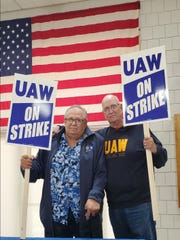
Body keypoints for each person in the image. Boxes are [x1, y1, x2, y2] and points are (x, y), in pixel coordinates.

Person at [20, 105, 106, 238]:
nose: (73, 123)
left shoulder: (96, 142)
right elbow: (37, 170)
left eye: (78, 120)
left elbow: (101, 173)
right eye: (69, 119)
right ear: (64, 121)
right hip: (56, 214)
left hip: (85, 212)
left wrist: (94, 197)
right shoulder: (52, 141)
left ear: (85, 123)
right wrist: (27, 166)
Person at [98, 94, 168, 240]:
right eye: (106, 109)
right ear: (103, 114)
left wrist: (154, 148)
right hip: (115, 206)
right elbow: (80, 135)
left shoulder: (141, 129)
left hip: (141, 204)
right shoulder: (101, 137)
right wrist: (59, 129)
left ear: (121, 108)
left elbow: (162, 160)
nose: (110, 111)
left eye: (113, 106)